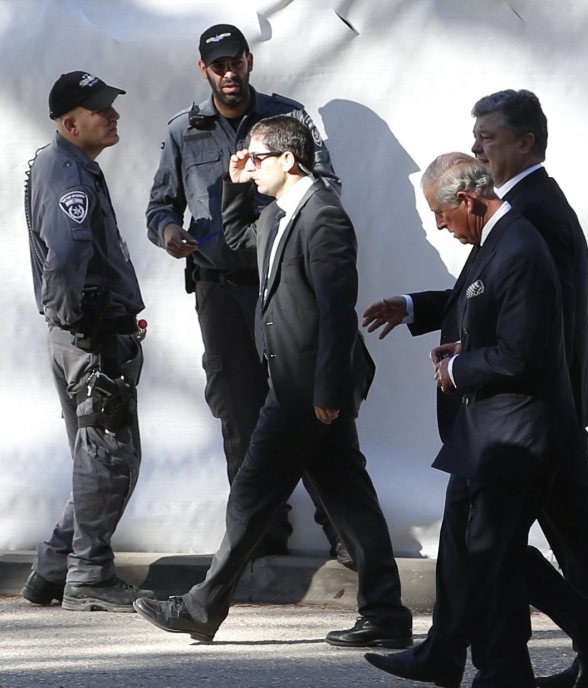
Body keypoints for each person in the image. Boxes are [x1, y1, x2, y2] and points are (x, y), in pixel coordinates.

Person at [363, 90, 588, 688]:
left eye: (488, 136)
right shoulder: (511, 211)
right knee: (480, 541)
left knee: (524, 546)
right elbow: (480, 299)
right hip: (507, 414)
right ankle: (474, 658)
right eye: (477, 137)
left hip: (527, 415)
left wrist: (469, 368)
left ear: (524, 142)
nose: (479, 145)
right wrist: (415, 308)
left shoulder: (531, 214)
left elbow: (532, 329)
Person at [132, 115, 411, 647]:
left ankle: (202, 607)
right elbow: (233, 238)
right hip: (296, 383)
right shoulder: (278, 215)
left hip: (305, 389)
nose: (249, 165)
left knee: (251, 496)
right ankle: (386, 615)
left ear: (289, 159)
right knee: (350, 500)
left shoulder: (324, 216)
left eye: (256, 158)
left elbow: (336, 311)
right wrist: (233, 186)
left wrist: (328, 393)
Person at [145, 23, 347, 562]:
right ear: (203, 70)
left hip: (281, 286)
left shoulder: (286, 119)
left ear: (250, 61)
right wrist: (168, 234)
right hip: (218, 290)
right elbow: (159, 206)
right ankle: (259, 539)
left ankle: (345, 530)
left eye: (236, 61)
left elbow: (324, 184)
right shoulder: (181, 132)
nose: (229, 72)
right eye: (218, 65)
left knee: (307, 405)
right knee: (239, 413)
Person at [21, 71, 153, 612]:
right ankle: (89, 575)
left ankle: (53, 568)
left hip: (79, 336)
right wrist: (88, 320)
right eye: (102, 109)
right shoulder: (69, 172)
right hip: (91, 338)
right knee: (110, 456)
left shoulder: (68, 166)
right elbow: (70, 254)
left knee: (94, 456)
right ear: (71, 123)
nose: (113, 115)